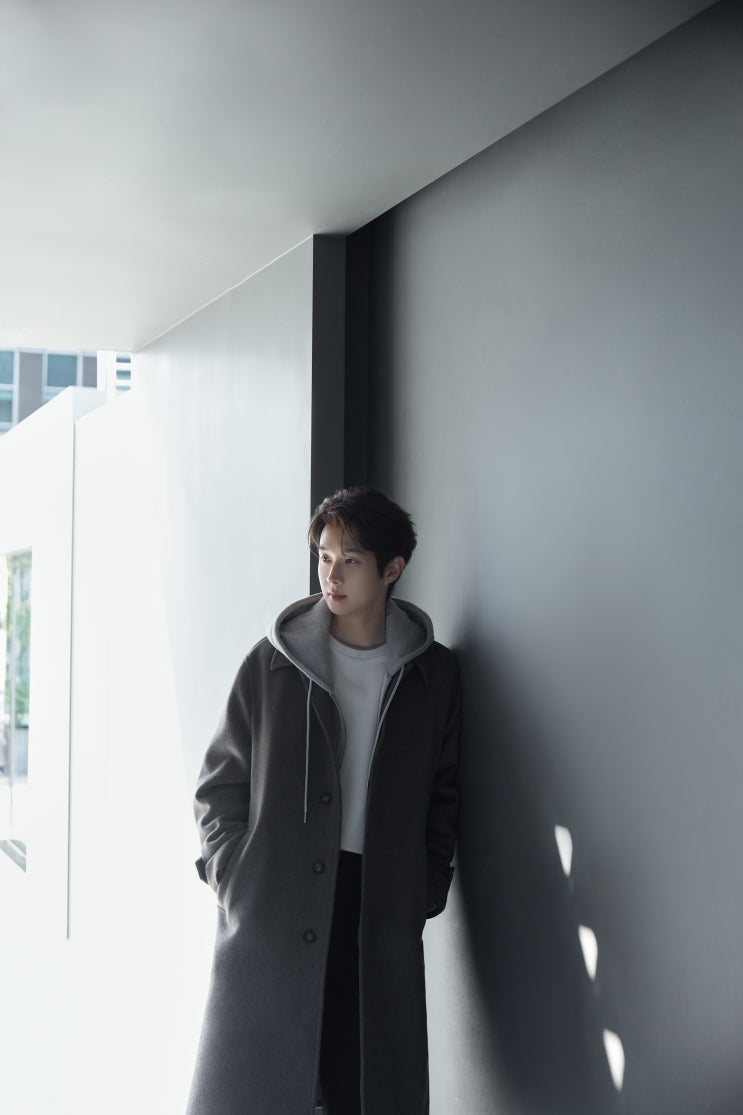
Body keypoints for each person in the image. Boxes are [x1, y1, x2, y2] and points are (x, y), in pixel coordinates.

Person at [187, 486, 462, 1115]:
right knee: (263, 1084)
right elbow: (219, 785)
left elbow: (444, 794)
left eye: (351, 560)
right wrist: (234, 876)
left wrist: (425, 887)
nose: (332, 576)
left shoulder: (432, 675)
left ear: (392, 570)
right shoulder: (274, 665)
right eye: (324, 557)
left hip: (379, 904)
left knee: (361, 1085)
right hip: (277, 899)